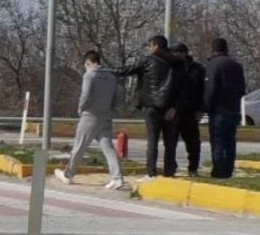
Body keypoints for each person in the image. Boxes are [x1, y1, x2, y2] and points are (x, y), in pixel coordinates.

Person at [108, 34, 182, 179]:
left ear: (155, 46)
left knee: (152, 141)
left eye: (150, 45)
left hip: (152, 106)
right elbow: (181, 88)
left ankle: (151, 173)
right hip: (170, 109)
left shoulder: (148, 61)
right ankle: (169, 172)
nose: (149, 48)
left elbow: (126, 70)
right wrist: (174, 107)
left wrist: (105, 70)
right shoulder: (177, 64)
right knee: (170, 142)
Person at [55, 50, 127, 189]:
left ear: (88, 63)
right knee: (108, 148)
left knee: (79, 146)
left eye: (85, 65)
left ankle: (68, 175)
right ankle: (117, 178)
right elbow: (117, 97)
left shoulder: (89, 75)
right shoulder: (111, 77)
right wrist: (112, 111)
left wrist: (80, 108)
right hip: (106, 117)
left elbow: (85, 94)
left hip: (89, 117)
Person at [203, 37, 247, 179]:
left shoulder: (213, 65)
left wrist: (206, 106)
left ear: (213, 49)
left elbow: (211, 88)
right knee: (230, 141)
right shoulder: (237, 65)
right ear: (226, 49)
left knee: (218, 141)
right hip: (233, 109)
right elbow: (242, 89)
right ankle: (228, 169)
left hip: (218, 110)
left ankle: (218, 171)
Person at [171, 42, 206, 177]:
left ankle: (193, 168)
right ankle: (171, 167)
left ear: (184, 53)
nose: (175, 56)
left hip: (190, 110)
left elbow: (202, 90)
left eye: (177, 53)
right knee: (171, 142)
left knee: (193, 143)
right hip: (173, 110)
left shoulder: (196, 69)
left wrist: (201, 109)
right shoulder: (170, 67)